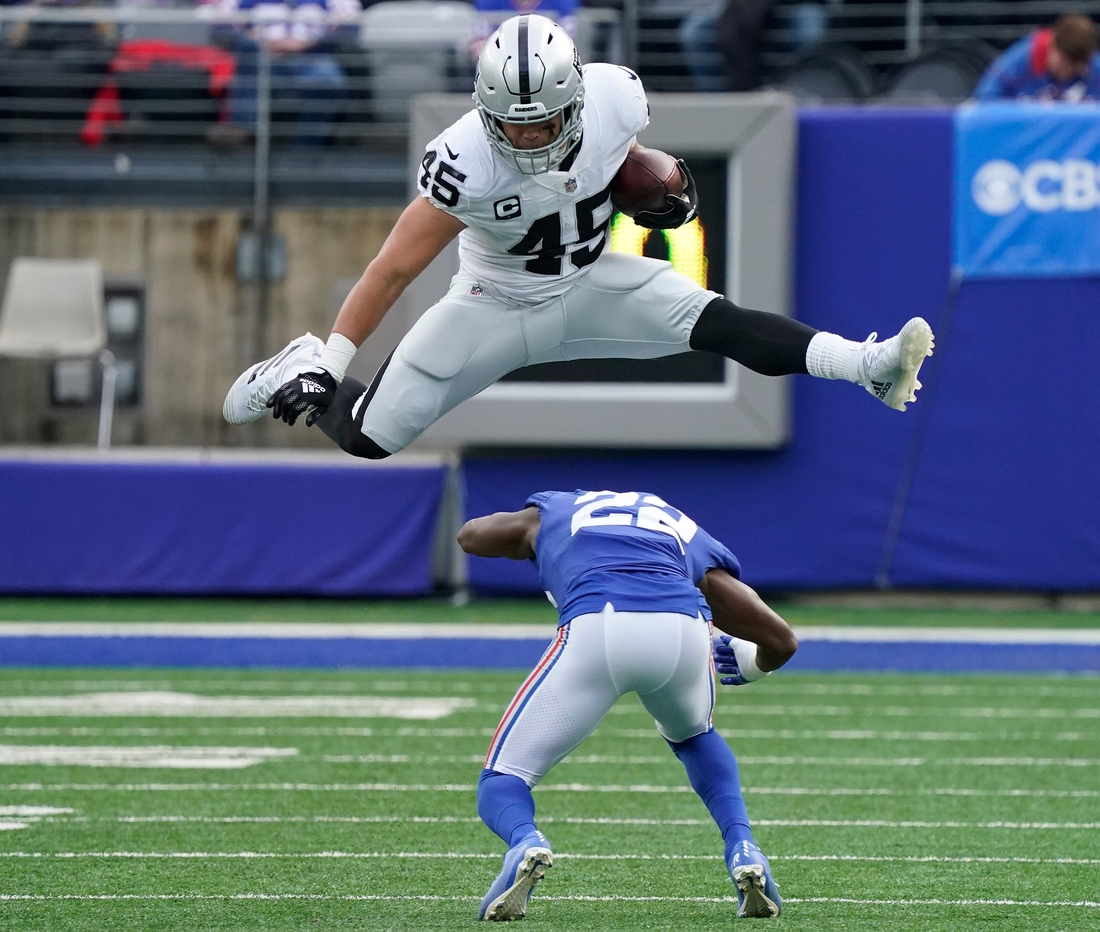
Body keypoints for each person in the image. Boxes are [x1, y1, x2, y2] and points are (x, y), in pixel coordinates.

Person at [223, 13, 935, 454]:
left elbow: (619, 165)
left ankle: (866, 366)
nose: (528, 136)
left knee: (719, 322)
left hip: (591, 281)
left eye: (541, 120)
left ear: (575, 100)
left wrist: (661, 187)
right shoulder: (462, 161)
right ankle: (298, 363)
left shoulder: (615, 100)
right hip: (490, 302)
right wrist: (334, 351)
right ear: (484, 111)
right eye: (512, 123)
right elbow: (391, 270)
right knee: (370, 439)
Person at [455, 489, 798, 920]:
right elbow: (781, 640)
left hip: (599, 624)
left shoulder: (554, 511)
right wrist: (753, 666)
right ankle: (744, 848)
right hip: (684, 630)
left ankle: (526, 841)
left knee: (503, 776)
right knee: (695, 736)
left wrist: (537, 541)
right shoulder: (674, 521)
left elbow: (471, 537)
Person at [974, 14, 1100, 102]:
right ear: (1052, 44)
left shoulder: (1094, 68)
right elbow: (984, 99)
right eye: (1062, 62)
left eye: (1074, 67)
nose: (1066, 72)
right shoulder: (1020, 59)